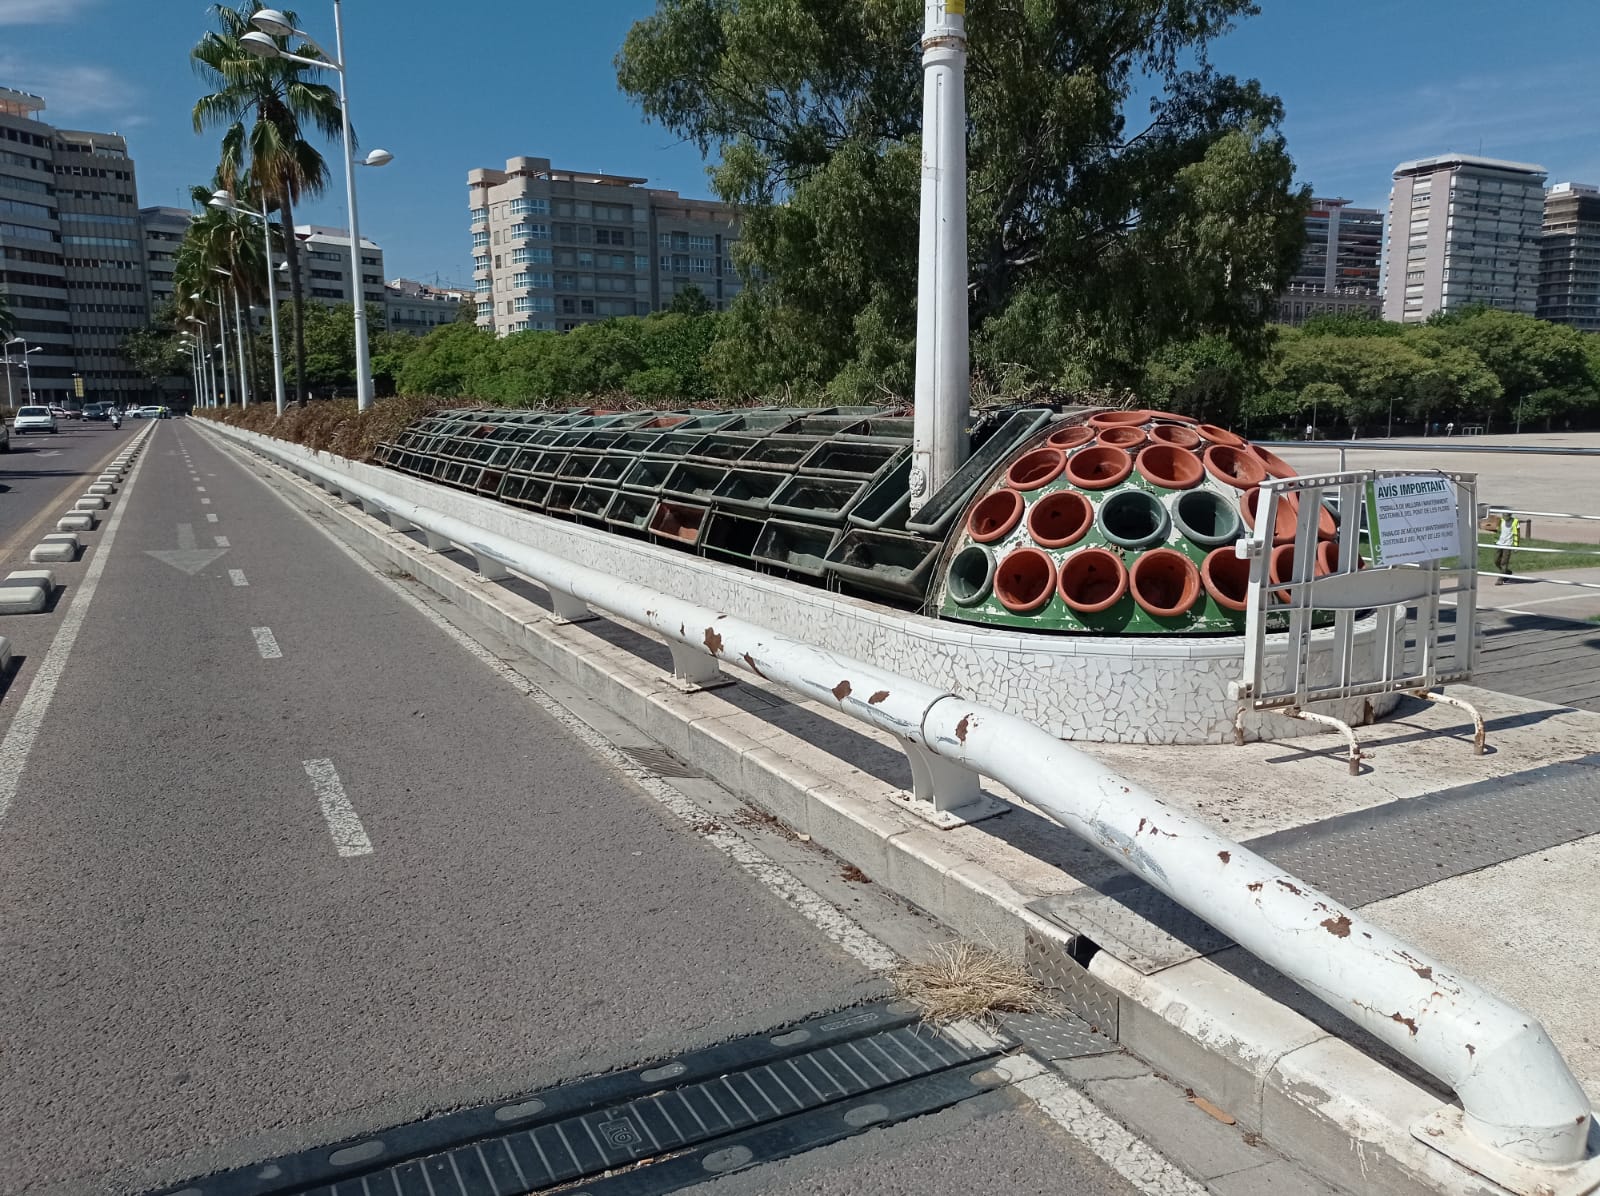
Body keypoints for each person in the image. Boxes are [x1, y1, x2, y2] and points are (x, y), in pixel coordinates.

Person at [1492, 511, 1519, 583]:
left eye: (1506, 516)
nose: (1505, 518)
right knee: (1496, 561)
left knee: (1504, 562)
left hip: (1508, 545)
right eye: (1504, 516)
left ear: (1510, 516)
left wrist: (1516, 546)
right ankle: (1507, 572)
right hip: (1499, 543)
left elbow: (1517, 535)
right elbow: (1497, 531)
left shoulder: (1515, 522)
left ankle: (1500, 579)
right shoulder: (1500, 520)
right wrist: (1495, 541)